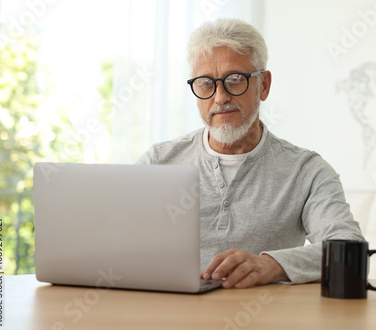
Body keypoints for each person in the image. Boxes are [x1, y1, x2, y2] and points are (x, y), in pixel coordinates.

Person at [136, 18, 364, 289]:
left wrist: (271, 265)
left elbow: (350, 250)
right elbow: (116, 240)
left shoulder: (307, 171)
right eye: (206, 83)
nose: (220, 97)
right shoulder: (158, 162)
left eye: (234, 80)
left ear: (264, 85)